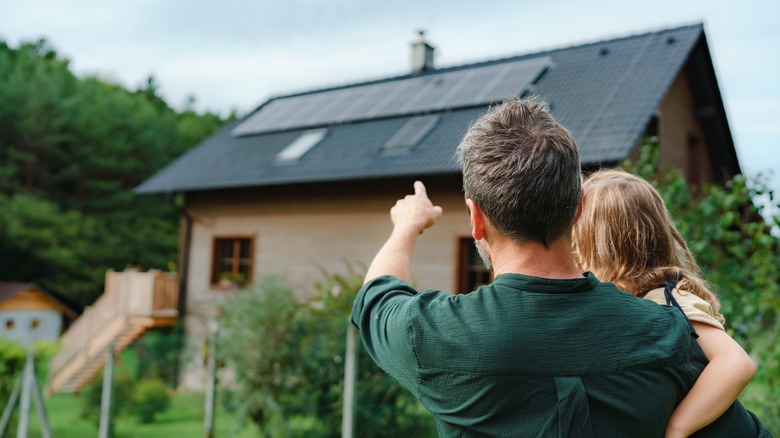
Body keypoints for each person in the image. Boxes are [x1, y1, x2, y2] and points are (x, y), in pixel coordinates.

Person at [351, 96, 769, 436]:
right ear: (577, 208)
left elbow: (378, 292)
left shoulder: (433, 334)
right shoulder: (668, 334)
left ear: (476, 219)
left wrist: (407, 226)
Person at [571, 169, 769, 437]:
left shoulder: (668, 299)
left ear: (597, 244)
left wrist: (678, 428)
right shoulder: (634, 300)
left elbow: (735, 363)